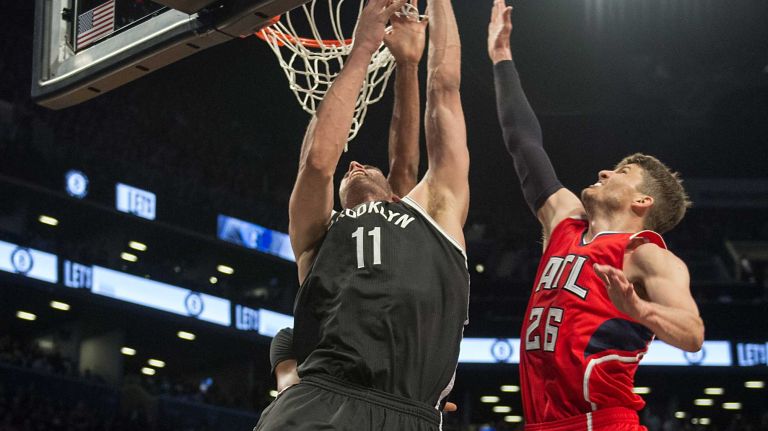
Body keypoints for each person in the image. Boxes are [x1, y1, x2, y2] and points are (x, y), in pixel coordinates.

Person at [487, 1, 705, 430]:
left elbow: (693, 334)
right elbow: (524, 143)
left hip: (603, 422)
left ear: (641, 202)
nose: (604, 171)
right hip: (541, 423)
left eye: (621, 172)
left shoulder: (646, 255)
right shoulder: (564, 222)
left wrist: (640, 310)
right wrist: (501, 58)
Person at [254, 0, 470, 427]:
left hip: (408, 411)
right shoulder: (319, 232)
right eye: (348, 169)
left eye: (368, 167)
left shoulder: (435, 213)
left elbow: (443, 90)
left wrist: (418, 49)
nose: (353, 165)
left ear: (394, 193)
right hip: (321, 398)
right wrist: (364, 47)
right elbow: (318, 163)